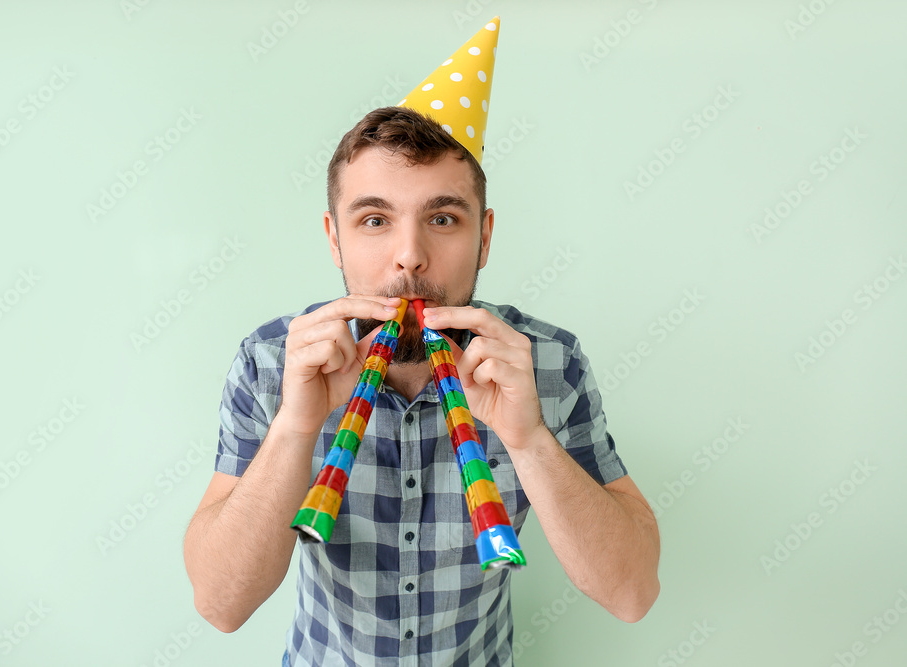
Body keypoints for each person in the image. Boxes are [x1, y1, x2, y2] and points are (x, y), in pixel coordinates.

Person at [183, 18, 659, 666]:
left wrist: (528, 439)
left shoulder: (547, 363)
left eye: (442, 217)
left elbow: (632, 593)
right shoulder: (272, 363)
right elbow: (220, 603)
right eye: (375, 219)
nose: (410, 256)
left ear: (484, 237)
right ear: (334, 238)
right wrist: (295, 428)